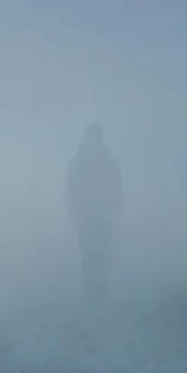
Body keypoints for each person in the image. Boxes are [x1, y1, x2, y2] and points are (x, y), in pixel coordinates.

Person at [66, 123, 122, 304]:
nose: (93, 141)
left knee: (104, 256)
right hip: (85, 219)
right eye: (91, 137)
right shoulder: (75, 164)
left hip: (105, 219)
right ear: (85, 139)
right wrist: (76, 216)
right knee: (88, 258)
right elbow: (69, 191)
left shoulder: (111, 163)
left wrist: (113, 213)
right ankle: (89, 298)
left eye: (96, 137)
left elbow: (117, 190)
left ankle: (102, 297)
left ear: (101, 139)